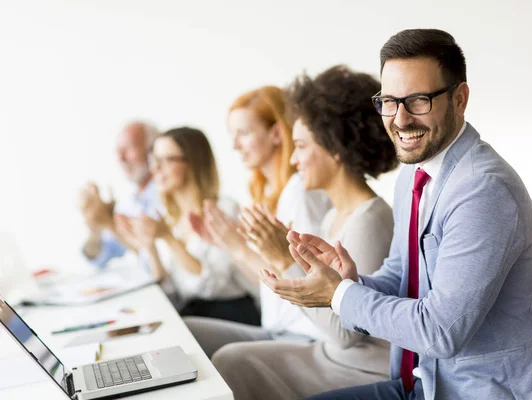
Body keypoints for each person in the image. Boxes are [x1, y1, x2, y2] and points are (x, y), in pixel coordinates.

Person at [263, 29, 532, 400]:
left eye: (418, 100)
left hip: (475, 392)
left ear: (460, 99)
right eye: (389, 101)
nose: (400, 120)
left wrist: (340, 296)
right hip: (425, 382)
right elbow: (402, 276)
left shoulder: (483, 191)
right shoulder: (414, 177)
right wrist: (350, 281)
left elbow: (440, 332)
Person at [209, 65, 400, 400]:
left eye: (300, 146)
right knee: (229, 359)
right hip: (328, 353)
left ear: (334, 147)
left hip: (358, 366)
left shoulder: (370, 220)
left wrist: (284, 259)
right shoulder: (333, 218)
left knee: (231, 361)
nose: (293, 160)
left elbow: (345, 334)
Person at [183, 86, 332, 357]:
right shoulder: (265, 194)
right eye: (233, 134)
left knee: (215, 351)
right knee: (184, 332)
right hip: (277, 327)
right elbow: (264, 282)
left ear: (276, 133)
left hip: (305, 334)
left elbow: (305, 281)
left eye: (244, 133)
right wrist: (228, 244)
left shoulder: (300, 193)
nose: (234, 145)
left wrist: (237, 246)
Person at [115, 127, 260, 325]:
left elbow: (213, 285)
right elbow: (170, 293)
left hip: (232, 314)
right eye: (154, 160)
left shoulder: (223, 209)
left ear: (192, 163)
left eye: (166, 160)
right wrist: (149, 247)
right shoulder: (170, 220)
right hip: (194, 313)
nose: (155, 169)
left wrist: (169, 239)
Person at [78, 121, 161, 267]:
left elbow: (158, 260)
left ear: (153, 150)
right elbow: (101, 258)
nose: (121, 158)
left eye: (128, 148)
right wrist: (94, 225)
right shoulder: (129, 200)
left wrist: (108, 224)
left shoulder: (166, 195)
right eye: (118, 151)